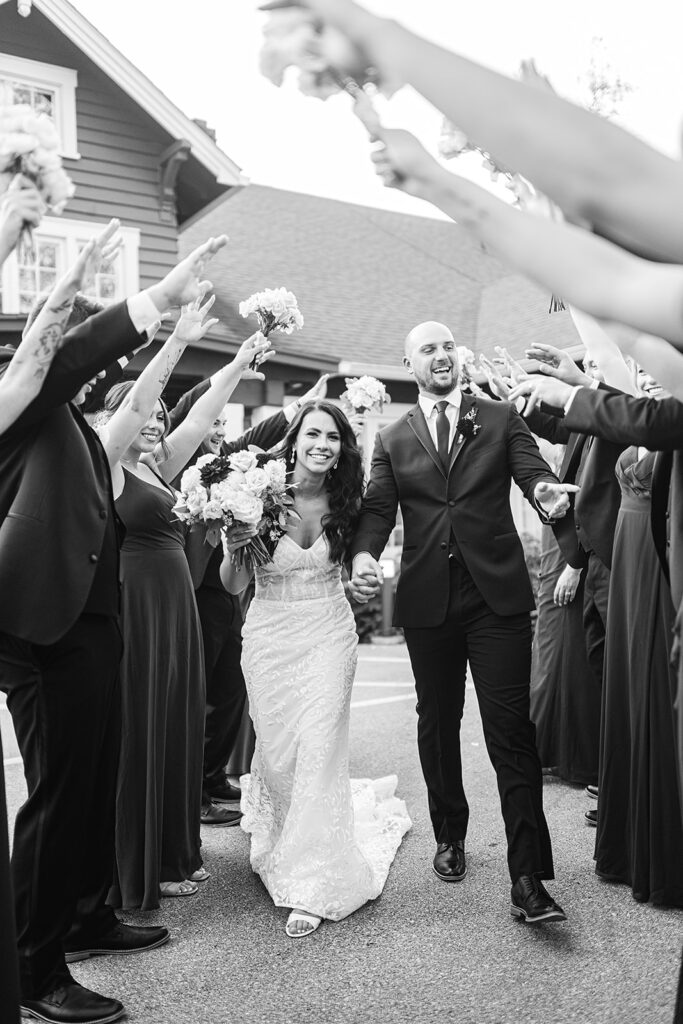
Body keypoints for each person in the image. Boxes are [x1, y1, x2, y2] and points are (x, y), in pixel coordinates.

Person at [0, 231, 228, 1024]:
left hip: (92, 622)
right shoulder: (20, 401)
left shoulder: (71, 423)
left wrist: (172, 342)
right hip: (40, 627)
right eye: (76, 344)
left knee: (96, 781)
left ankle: (88, 913)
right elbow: (51, 355)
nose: (92, 367)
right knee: (59, 795)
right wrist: (150, 299)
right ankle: (32, 968)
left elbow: (132, 402)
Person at [348, 321, 577, 924]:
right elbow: (377, 509)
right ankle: (450, 833)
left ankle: (528, 876)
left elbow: (532, 474)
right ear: (409, 362)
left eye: (448, 346)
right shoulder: (395, 436)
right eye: (429, 349)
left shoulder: (498, 417)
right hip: (428, 601)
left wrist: (550, 493)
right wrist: (365, 553)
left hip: (495, 597)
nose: (442, 355)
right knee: (437, 721)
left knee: (510, 732)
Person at [96, 299, 270, 909]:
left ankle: (171, 853)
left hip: (177, 615)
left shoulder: (158, 467)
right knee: (142, 732)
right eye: (142, 415)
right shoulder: (110, 463)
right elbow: (145, 401)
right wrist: (175, 342)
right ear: (113, 419)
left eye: (157, 418)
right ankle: (134, 865)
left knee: (175, 727)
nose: (154, 422)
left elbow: (197, 419)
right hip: (137, 609)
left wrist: (241, 359)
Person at [221, 399, 411, 938]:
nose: (322, 444)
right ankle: (285, 838)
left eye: (333, 436)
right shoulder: (257, 494)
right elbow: (233, 584)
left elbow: (358, 564)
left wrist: (361, 576)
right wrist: (236, 546)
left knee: (322, 746)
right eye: (313, 434)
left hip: (329, 631)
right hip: (269, 636)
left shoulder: (349, 501)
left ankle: (315, 878)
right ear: (295, 439)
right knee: (281, 757)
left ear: (342, 447)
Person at [169, 375, 329, 810]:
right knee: (199, 690)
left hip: (226, 589)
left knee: (230, 686)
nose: (219, 430)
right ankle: (192, 793)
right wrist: (231, 370)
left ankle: (213, 774)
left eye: (223, 422)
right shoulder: (179, 459)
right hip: (191, 590)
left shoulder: (225, 459)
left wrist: (297, 409)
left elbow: (257, 437)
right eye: (212, 420)